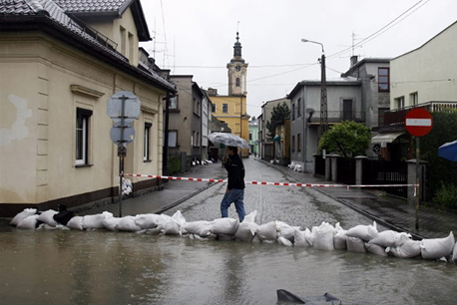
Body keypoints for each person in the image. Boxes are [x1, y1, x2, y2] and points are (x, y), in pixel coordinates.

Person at [220, 146, 246, 222]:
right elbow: (234, 171)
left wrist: (229, 187)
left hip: (234, 188)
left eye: (228, 150)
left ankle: (224, 224)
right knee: (239, 206)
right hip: (240, 187)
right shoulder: (237, 160)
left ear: (232, 151)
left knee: (224, 205)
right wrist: (226, 163)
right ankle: (244, 223)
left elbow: (233, 176)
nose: (227, 151)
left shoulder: (235, 161)